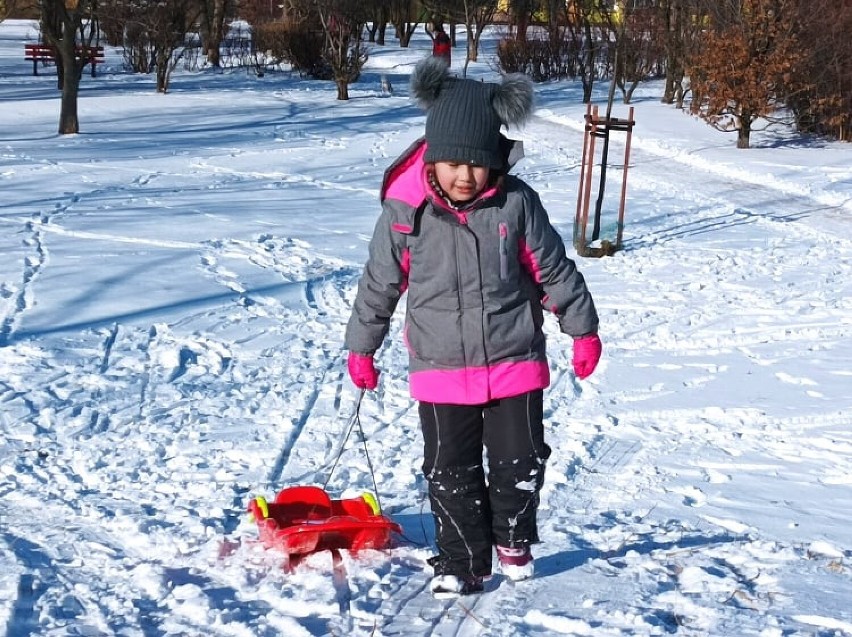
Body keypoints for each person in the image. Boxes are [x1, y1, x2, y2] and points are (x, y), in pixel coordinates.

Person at [344, 57, 602, 598]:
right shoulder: (405, 213)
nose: (465, 175)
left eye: (478, 164)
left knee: (520, 464)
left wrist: (582, 329)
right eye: (453, 163)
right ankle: (461, 561)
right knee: (449, 471)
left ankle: (512, 536)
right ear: (432, 158)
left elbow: (552, 269)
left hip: (514, 360)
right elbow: (379, 284)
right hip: (440, 366)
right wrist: (362, 347)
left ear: (496, 161)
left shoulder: (516, 204)